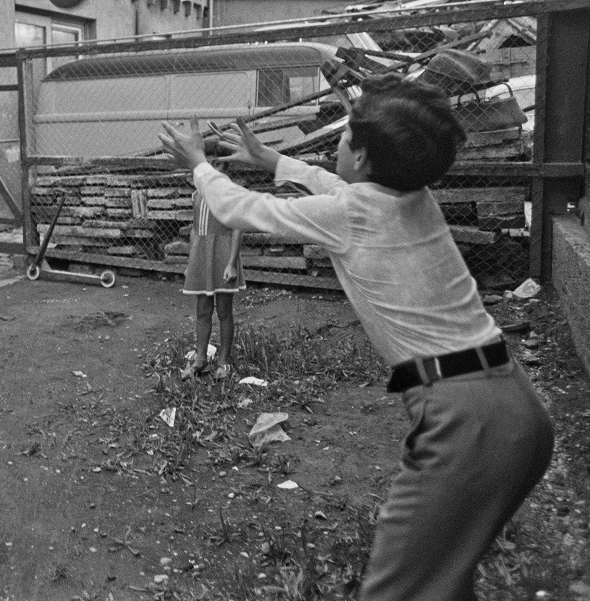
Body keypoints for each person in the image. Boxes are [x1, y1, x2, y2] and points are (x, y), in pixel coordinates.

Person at [158, 74, 554, 601]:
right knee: (440, 582)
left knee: (396, 591)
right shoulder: (414, 198)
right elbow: (338, 186)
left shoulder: (350, 216)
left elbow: (238, 210)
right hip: (515, 407)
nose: (337, 147)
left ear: (363, 158)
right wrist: (274, 161)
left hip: (465, 423)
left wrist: (199, 165)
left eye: (344, 139)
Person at [182, 178, 245, 380]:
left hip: (223, 254)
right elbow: (194, 229)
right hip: (202, 255)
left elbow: (237, 228)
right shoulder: (198, 194)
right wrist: (193, 260)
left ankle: (223, 362)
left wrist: (231, 263)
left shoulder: (230, 193)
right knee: (202, 309)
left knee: (224, 310)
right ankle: (201, 359)